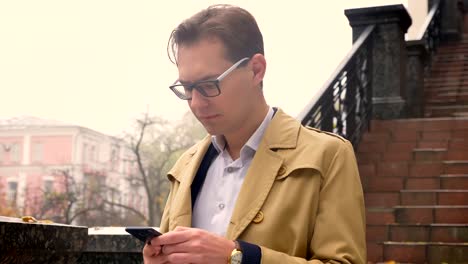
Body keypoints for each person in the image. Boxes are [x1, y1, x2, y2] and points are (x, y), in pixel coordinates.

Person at [143, 4, 366, 264]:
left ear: (256, 69)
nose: (195, 103)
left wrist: (238, 257)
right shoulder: (185, 167)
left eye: (208, 85)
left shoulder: (327, 156)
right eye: (188, 88)